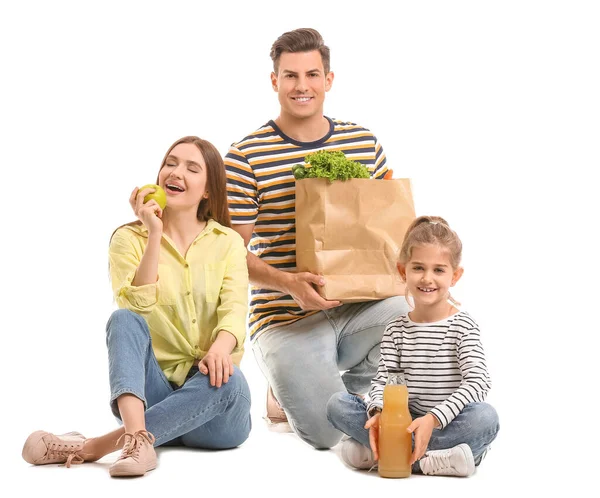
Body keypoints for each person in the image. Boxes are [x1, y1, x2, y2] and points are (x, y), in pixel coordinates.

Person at [22, 136, 251, 478]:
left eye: (192, 167)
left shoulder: (228, 242)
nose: (176, 172)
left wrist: (221, 347)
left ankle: (95, 446)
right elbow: (137, 308)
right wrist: (154, 233)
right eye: (170, 163)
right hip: (151, 398)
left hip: (214, 410)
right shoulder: (128, 240)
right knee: (123, 318)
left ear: (208, 189)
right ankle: (138, 439)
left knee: (230, 383)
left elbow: (234, 306)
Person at [224, 27, 408, 449]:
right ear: (275, 81)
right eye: (290, 76)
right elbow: (229, 256)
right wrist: (290, 283)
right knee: (329, 435)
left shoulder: (363, 144)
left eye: (311, 75)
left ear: (328, 79)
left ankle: (327, 385)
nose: (301, 86)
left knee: (415, 311)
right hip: (285, 319)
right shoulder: (246, 156)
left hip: (359, 307)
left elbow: (387, 234)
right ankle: (286, 386)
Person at [326, 216, 500, 477]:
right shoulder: (396, 329)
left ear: (455, 275)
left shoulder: (463, 326)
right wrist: (377, 412)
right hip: (401, 423)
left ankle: (391, 455)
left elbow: (478, 382)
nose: (427, 278)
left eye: (439, 270)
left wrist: (433, 419)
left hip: (445, 423)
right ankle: (435, 459)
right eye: (418, 268)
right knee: (337, 403)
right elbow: (383, 379)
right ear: (402, 271)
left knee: (485, 417)